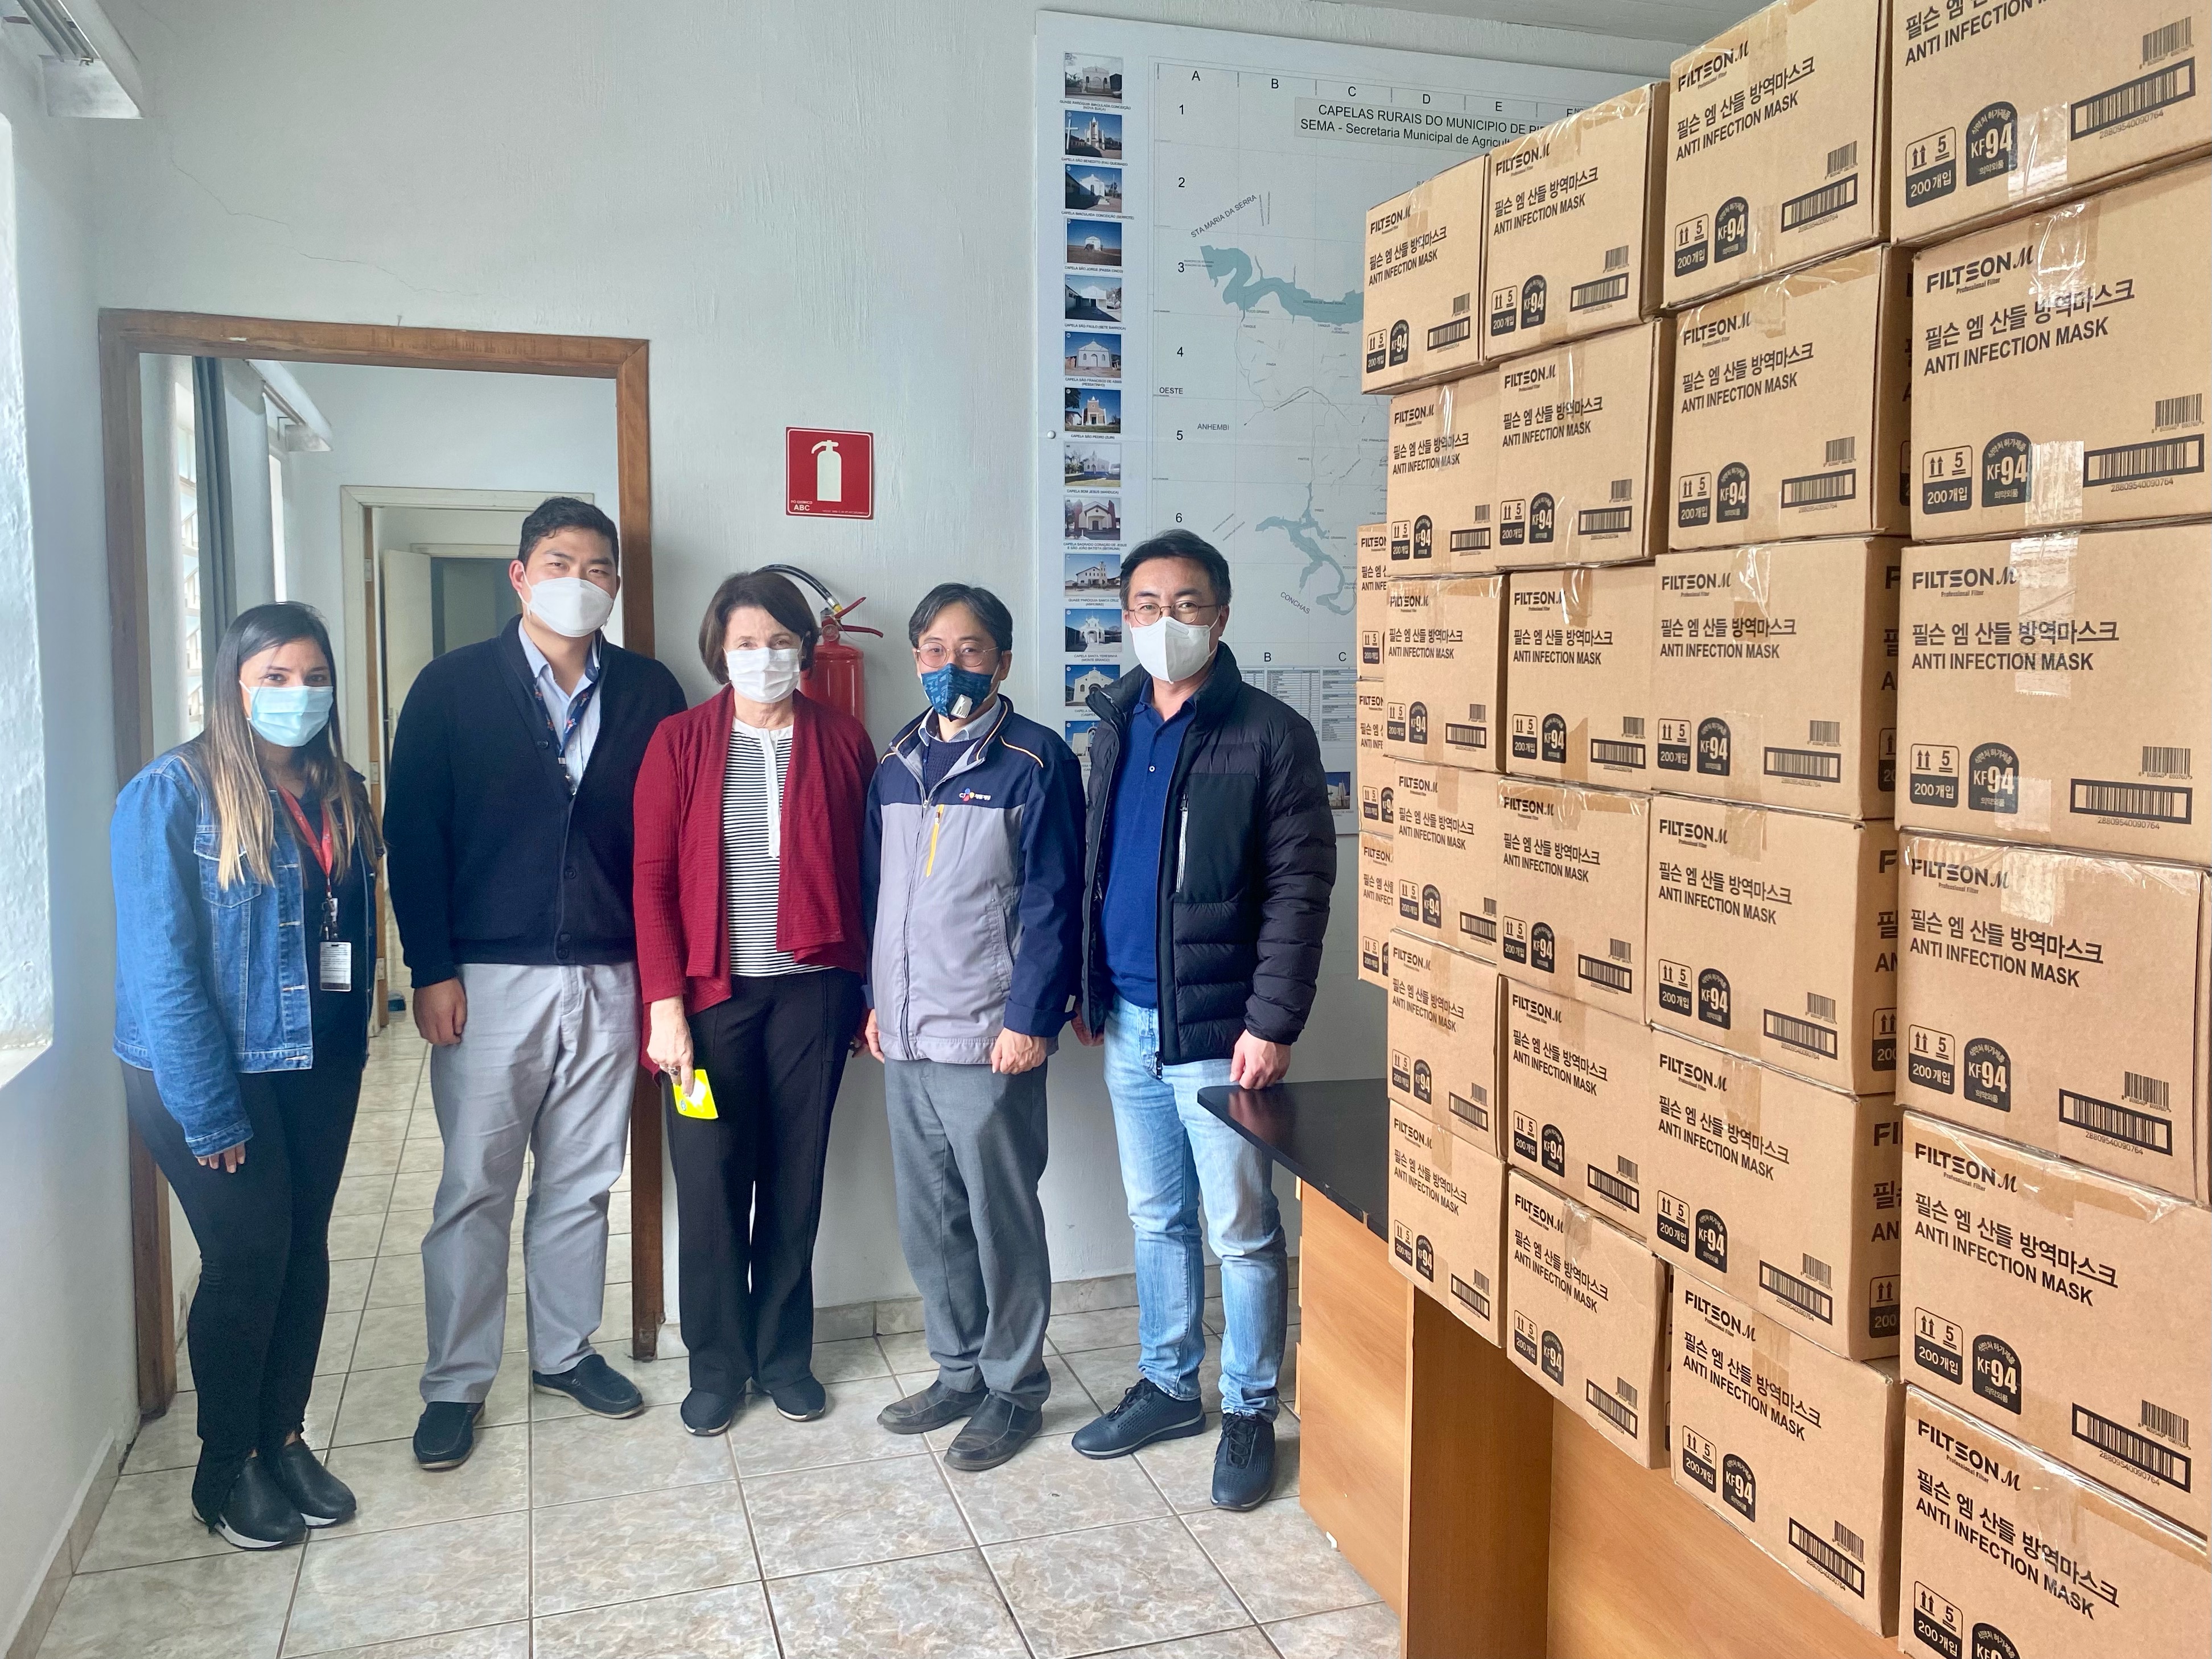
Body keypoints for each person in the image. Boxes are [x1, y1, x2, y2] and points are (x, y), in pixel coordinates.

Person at [385, 496, 687, 1468]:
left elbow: (671, 843)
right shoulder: (451, 686)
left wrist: (661, 980)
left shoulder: (650, 690)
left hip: (610, 971)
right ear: (519, 575)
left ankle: (564, 1351)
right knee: (476, 1184)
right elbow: (412, 834)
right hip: (487, 977)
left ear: (616, 586)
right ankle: (456, 1379)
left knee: (584, 1177)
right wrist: (431, 968)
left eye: (599, 568)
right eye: (560, 562)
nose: (580, 581)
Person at [1068, 529, 1336, 1510]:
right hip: (1131, 1022)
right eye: (1146, 604)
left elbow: (1300, 890)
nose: (1165, 621)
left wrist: (1272, 1022)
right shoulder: (1117, 723)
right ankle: (1169, 1386)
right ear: (1124, 616)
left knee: (1243, 1230)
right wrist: (1090, 987)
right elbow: (1103, 866)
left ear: (1221, 616)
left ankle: (1250, 1407)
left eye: (1186, 604)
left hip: (1223, 1033)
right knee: (1157, 1219)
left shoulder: (1269, 733)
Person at [112, 603, 381, 1549]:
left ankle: (283, 1438)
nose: (298, 694)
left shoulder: (342, 790)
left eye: (314, 677)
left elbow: (346, 932)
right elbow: (162, 972)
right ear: (233, 684)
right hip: (211, 1070)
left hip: (319, 1062)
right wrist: (209, 1109)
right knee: (245, 1258)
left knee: (303, 1249)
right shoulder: (170, 794)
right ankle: (225, 1467)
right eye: (275, 677)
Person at [632, 570, 875, 1434]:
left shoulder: (843, 739)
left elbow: (871, 875)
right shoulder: (679, 741)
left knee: (794, 1180)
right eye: (745, 643)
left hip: (814, 998)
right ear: (718, 651)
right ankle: (716, 1365)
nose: (763, 657)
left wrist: (869, 992)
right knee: (708, 1186)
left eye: (779, 642)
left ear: (805, 649)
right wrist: (664, 1006)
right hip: (709, 1003)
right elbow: (652, 881)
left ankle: (784, 1358)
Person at [862, 584, 1085, 1471]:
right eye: (933, 649)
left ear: (1002, 660)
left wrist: (1030, 1019)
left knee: (1001, 1221)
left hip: (990, 1035)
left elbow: (1055, 900)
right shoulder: (895, 762)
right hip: (906, 1036)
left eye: (971, 649)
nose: (949, 665)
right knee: (932, 1221)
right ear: (915, 656)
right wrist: (875, 1002)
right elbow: (878, 896)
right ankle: (958, 1372)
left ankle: (1014, 1388)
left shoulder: (1035, 760)